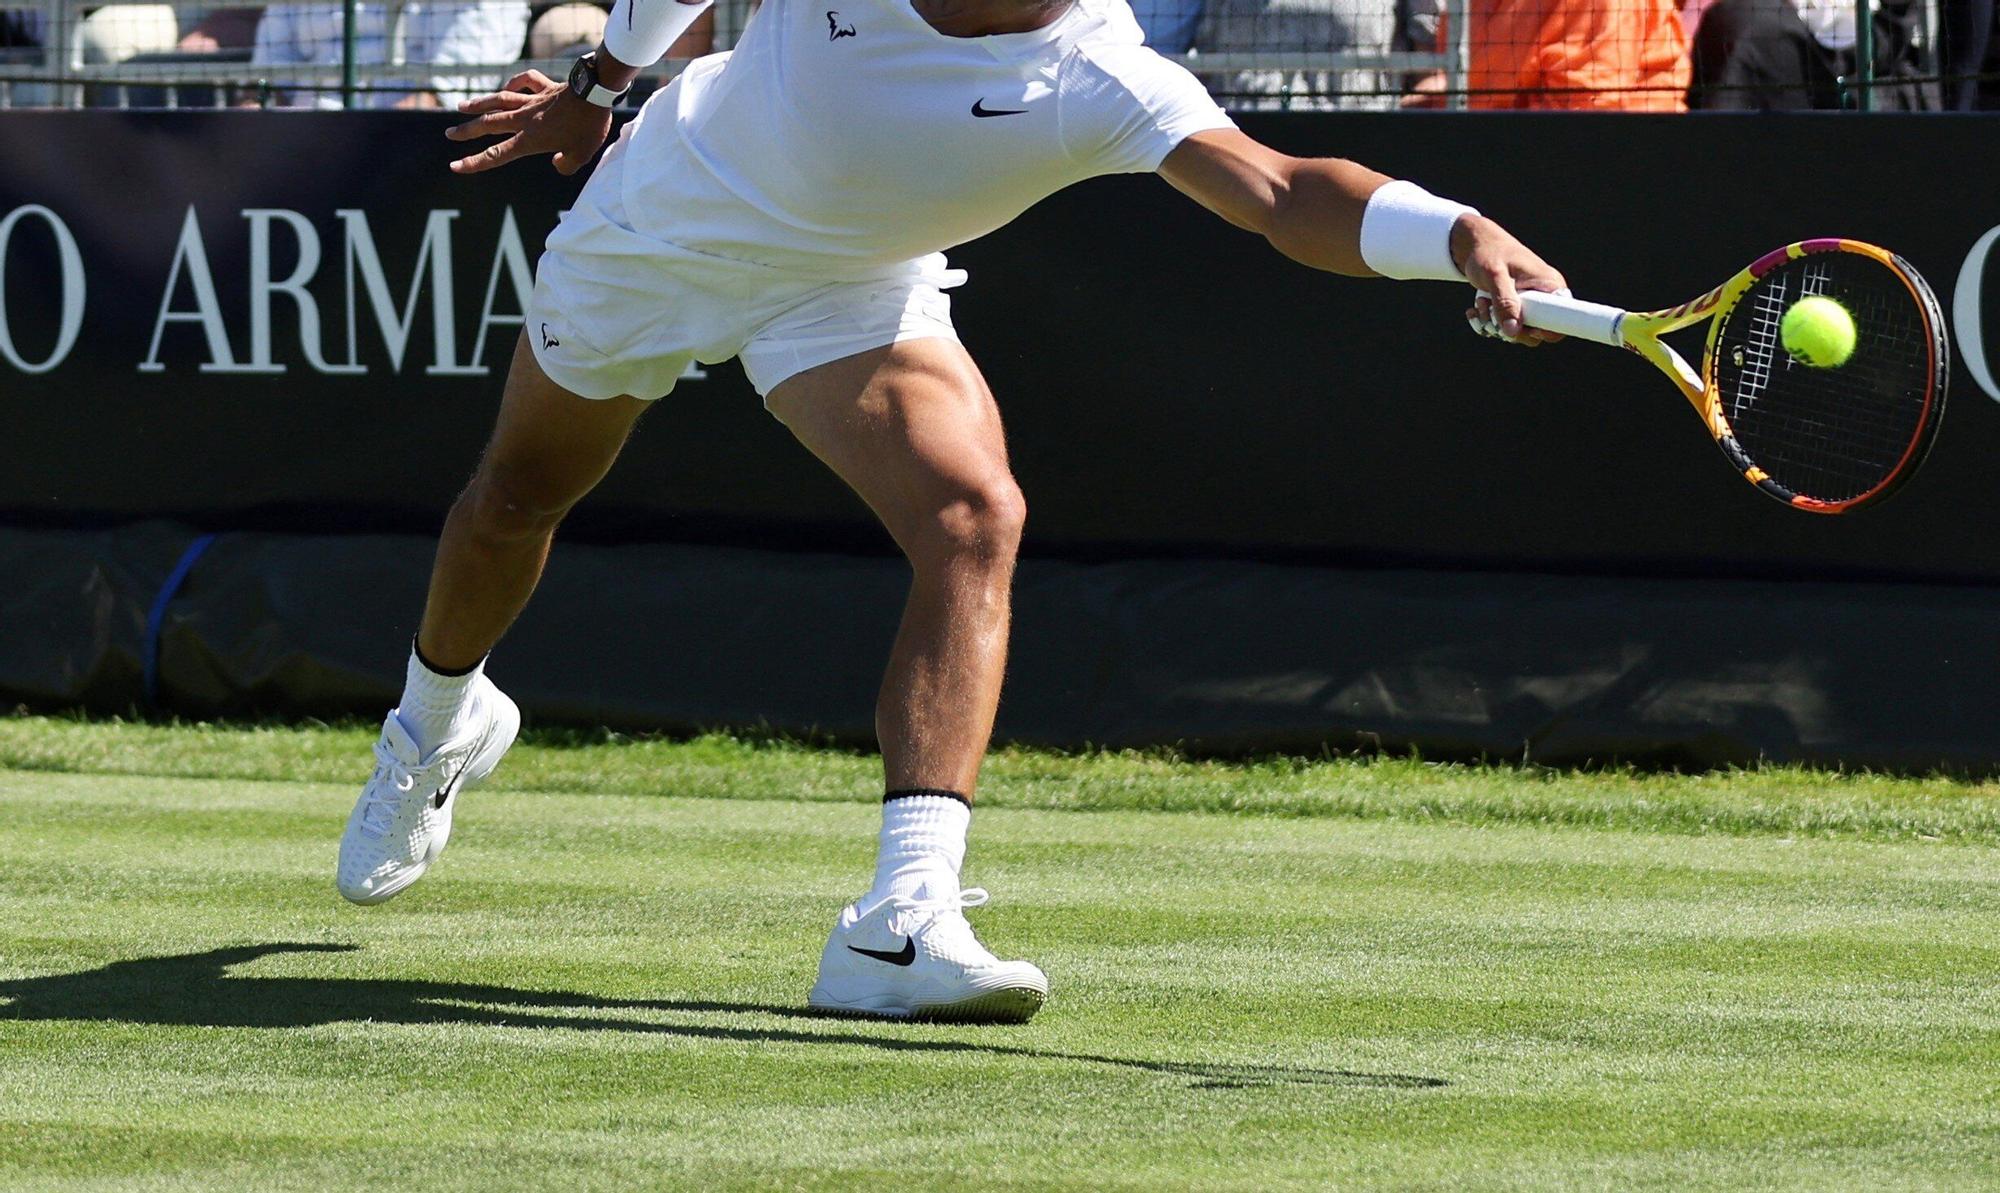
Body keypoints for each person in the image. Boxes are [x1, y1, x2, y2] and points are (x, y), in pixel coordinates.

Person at [336, 0, 1566, 1023]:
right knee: (514, 500)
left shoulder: (1097, 73)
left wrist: (1454, 233)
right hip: (660, 231)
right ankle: (432, 722)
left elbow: (1281, 187)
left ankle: (898, 919)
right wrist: (600, 83)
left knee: (973, 515)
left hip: (850, 284)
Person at [1412, 0, 1690, 110]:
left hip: (1613, 174)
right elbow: (1469, 80)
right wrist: (1434, 98)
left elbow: (1582, 114)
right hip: (1490, 159)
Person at [250, 0, 530, 108]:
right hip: (296, 147)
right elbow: (266, 80)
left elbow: (448, 93)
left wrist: (360, 140)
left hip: (410, 150)